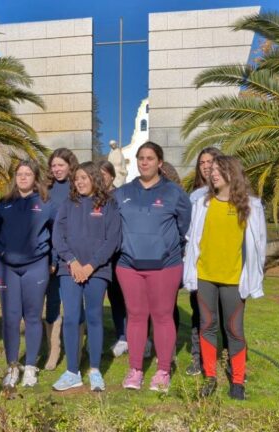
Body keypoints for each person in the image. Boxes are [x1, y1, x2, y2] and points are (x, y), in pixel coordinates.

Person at [183, 155, 266, 401]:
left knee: (234, 330)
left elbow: (258, 245)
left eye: (219, 170)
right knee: (207, 327)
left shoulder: (250, 206)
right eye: (212, 170)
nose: (213, 173)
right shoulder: (203, 204)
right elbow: (193, 239)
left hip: (233, 280)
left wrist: (252, 276)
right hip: (205, 277)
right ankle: (210, 376)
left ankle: (238, 381)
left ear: (233, 173)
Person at [114, 142, 191, 393]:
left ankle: (163, 370)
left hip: (165, 266)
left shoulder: (174, 193)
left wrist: (165, 246)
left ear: (160, 162)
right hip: (129, 266)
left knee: (162, 316)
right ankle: (135, 369)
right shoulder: (122, 192)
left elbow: (183, 225)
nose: (144, 162)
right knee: (135, 316)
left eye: (150, 158)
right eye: (140, 158)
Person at [0, 160, 56, 389]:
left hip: (36, 266)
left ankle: (31, 367)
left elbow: (57, 235)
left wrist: (52, 261)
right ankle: (13, 367)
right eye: (19, 174)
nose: (23, 178)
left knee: (33, 317)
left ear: (36, 178)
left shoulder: (46, 203)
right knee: (11, 318)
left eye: (28, 174)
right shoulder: (4, 204)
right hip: (8, 268)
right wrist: (3, 252)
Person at [51, 162, 121, 392]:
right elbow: (58, 237)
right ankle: (72, 371)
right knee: (71, 317)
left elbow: (112, 240)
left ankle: (94, 370)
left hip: (97, 271)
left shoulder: (109, 204)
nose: (79, 182)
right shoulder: (67, 204)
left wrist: (90, 266)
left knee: (94, 317)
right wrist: (72, 262)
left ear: (94, 179)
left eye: (84, 178)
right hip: (69, 269)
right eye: (76, 178)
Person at [185, 147, 223, 376]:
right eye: (202, 163)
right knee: (199, 314)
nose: (207, 166)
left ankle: (228, 357)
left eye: (211, 161)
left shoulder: (234, 192)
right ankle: (197, 358)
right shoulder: (195, 196)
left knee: (228, 316)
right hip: (201, 265)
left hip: (225, 264)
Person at [44, 148, 80, 371]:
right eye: (54, 165)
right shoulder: (46, 190)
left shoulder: (77, 187)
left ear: (70, 165)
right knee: (52, 302)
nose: (57, 169)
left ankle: (77, 347)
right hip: (50, 255)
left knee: (75, 304)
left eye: (61, 165)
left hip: (74, 254)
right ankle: (53, 350)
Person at [98, 161, 128, 357]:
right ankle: (122, 336)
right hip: (101, 257)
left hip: (120, 255)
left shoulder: (120, 195)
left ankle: (136, 336)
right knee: (115, 298)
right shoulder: (94, 198)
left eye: (104, 174)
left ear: (111, 175)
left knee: (128, 298)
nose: (101, 178)